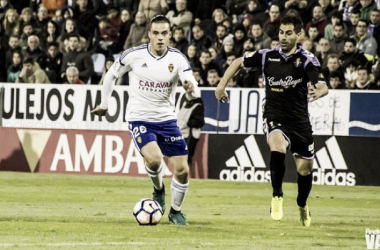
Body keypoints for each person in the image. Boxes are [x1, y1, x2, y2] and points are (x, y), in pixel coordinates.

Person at [215, 15, 328, 227]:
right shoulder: (267, 55)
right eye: (281, 32)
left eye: (288, 33)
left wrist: (318, 92)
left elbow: (322, 84)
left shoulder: (306, 59)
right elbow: (239, 61)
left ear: (298, 34)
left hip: (299, 121)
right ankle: (277, 195)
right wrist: (222, 84)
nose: (283, 37)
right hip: (274, 116)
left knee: (305, 170)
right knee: (277, 148)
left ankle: (302, 204)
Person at [91, 15, 200, 226]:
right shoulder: (133, 55)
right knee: (154, 158)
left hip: (167, 120)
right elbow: (111, 75)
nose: (160, 38)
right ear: (149, 34)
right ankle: (158, 190)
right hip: (139, 118)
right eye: (156, 33)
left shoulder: (178, 59)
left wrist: (190, 89)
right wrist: (104, 104)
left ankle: (175, 212)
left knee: (183, 170)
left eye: (164, 33)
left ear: (170, 35)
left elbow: (193, 87)